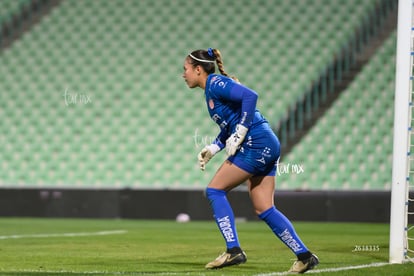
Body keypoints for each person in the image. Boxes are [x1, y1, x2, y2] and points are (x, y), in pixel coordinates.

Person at [182, 48, 319, 273]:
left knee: (215, 190)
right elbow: (228, 125)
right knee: (264, 208)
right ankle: (304, 256)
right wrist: (214, 147)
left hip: (256, 142)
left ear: (198, 69)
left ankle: (233, 250)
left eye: (185, 69)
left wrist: (242, 130)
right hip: (267, 142)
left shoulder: (215, 82)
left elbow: (250, 96)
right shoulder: (211, 91)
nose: (183, 74)